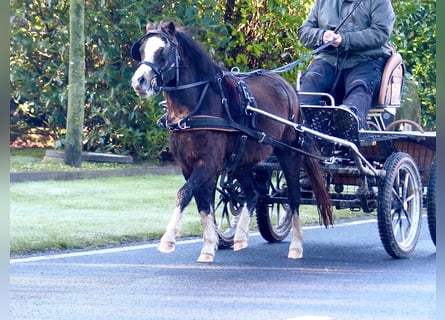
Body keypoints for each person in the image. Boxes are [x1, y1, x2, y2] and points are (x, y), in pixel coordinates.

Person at [297, 0, 396, 129]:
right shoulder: (323, 2)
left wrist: (344, 39)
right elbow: (304, 32)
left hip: (366, 59)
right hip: (329, 59)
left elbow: (380, 32)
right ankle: (300, 129)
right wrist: (322, 35)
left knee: (359, 88)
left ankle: (348, 128)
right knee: (310, 82)